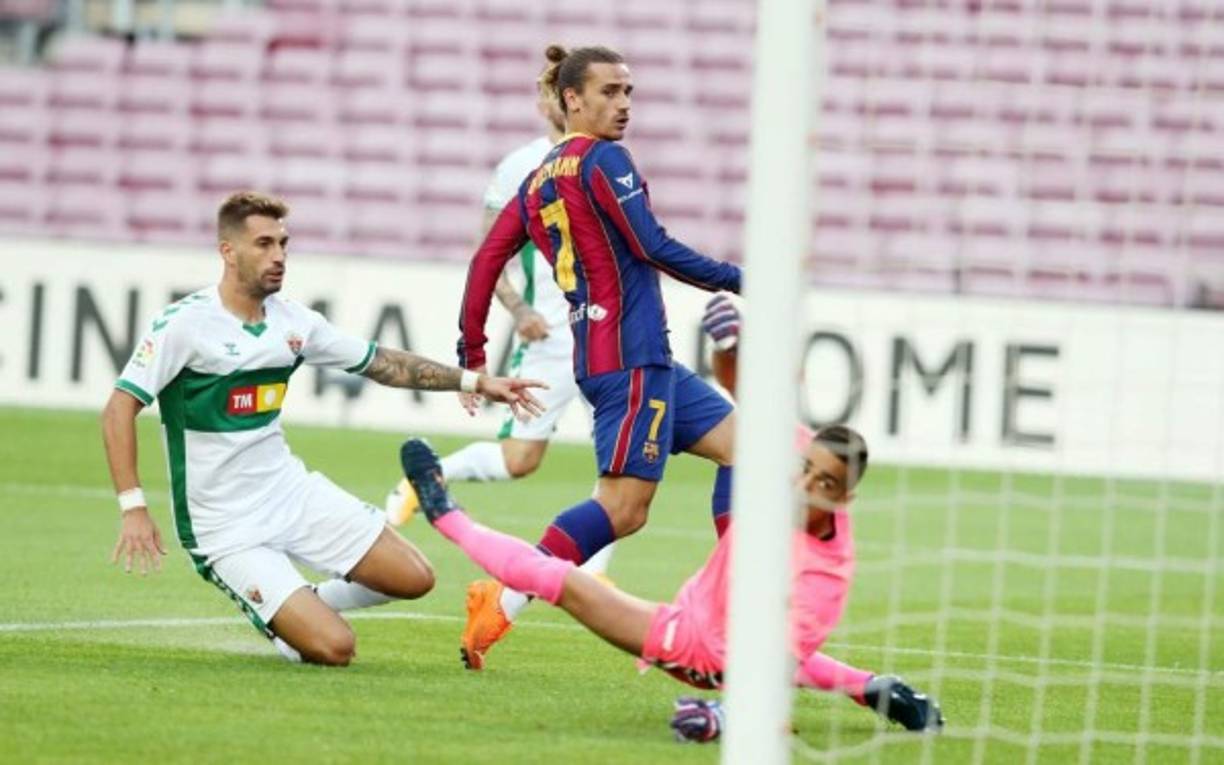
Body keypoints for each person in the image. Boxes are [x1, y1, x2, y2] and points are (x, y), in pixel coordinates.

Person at [100, 191, 544, 667]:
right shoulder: (185, 325)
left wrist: (475, 381)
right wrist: (133, 507)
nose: (278, 256)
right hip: (225, 525)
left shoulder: (294, 322)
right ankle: (282, 616)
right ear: (228, 251)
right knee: (336, 648)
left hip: (289, 492)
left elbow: (382, 363)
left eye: (283, 244)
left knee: (416, 577)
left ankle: (304, 603)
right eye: (264, 244)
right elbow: (119, 408)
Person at [452, 43, 743, 670]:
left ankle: (735, 607)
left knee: (749, 450)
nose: (624, 104)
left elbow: (485, 261)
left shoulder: (538, 180)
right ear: (572, 99)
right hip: (630, 362)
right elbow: (651, 244)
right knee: (623, 510)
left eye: (628, 91)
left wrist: (473, 350)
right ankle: (505, 595)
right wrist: (741, 278)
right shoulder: (604, 159)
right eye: (610, 92)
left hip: (626, 359)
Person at [397, 430, 945, 741]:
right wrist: (730, 346)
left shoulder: (827, 575)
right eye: (804, 468)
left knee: (562, 580)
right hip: (711, 614)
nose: (805, 485)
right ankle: (879, 689)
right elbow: (751, 405)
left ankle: (443, 511)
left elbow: (775, 667)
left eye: (823, 483)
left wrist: (723, 717)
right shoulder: (792, 480)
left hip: (698, 651)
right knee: (735, 448)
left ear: (845, 499)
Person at [383, 60, 617, 631]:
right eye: (552, 95)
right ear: (550, 102)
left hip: (607, 334)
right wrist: (520, 311)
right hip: (552, 339)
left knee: (620, 455)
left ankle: (596, 572)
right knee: (519, 461)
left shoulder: (608, 159)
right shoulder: (521, 165)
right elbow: (488, 250)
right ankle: (427, 477)